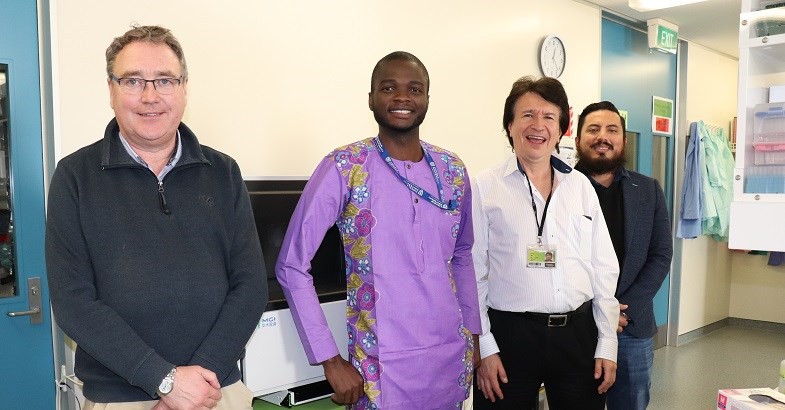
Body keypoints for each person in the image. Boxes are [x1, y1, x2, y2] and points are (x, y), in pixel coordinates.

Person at [46, 25, 267, 410]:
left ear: (184, 88)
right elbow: (73, 301)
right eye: (133, 80)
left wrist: (198, 380)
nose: (150, 96)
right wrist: (163, 380)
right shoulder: (73, 176)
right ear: (111, 89)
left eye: (164, 80)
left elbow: (250, 286)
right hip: (121, 397)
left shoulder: (224, 172)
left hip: (217, 390)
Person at [276, 51, 481, 409]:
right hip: (381, 367)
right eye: (389, 87)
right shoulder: (345, 166)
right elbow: (292, 265)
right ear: (371, 98)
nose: (402, 97)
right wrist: (330, 358)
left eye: (414, 89)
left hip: (449, 357)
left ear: (427, 99)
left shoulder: (453, 169)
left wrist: (475, 336)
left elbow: (462, 256)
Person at [472, 76, 620, 409]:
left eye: (548, 117)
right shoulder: (484, 187)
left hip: (577, 335)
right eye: (527, 115)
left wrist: (607, 341)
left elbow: (603, 268)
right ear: (510, 125)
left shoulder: (580, 186)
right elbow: (472, 273)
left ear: (562, 128)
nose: (538, 125)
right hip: (509, 336)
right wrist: (485, 347)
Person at [574, 101, 673, 410]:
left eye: (612, 130)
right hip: (578, 327)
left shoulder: (648, 190)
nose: (602, 137)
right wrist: (599, 311)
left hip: (631, 325)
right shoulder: (560, 188)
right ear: (577, 140)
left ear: (623, 140)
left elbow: (661, 254)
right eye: (593, 129)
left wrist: (620, 310)